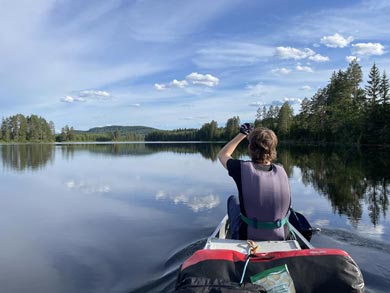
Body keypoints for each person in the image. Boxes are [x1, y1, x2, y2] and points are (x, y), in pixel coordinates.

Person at [217, 123, 292, 241]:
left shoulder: (240, 168)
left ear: (250, 148)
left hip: (247, 236)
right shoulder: (281, 170)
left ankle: (233, 236)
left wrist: (242, 134)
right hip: (282, 235)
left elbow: (223, 154)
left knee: (233, 199)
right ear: (273, 149)